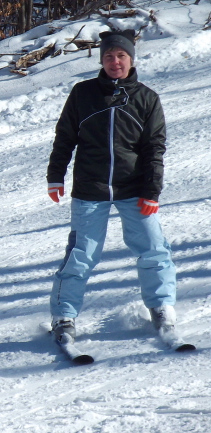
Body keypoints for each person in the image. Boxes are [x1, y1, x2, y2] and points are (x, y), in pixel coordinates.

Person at [46, 29, 179, 344]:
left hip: (134, 190)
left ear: (131, 59)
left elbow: (154, 149)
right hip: (90, 190)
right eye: (108, 56)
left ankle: (162, 308)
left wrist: (152, 191)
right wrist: (55, 175)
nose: (115, 61)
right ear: (101, 60)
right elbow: (65, 137)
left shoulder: (146, 98)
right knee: (81, 254)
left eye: (121, 55)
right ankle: (64, 316)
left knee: (153, 248)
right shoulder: (83, 93)